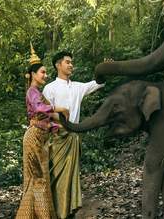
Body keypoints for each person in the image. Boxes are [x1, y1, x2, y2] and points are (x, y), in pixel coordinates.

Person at [42, 51, 104, 219]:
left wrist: (106, 69)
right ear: (58, 65)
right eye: (67, 62)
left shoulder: (77, 87)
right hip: (56, 138)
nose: (71, 65)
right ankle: (54, 213)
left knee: (70, 178)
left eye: (71, 62)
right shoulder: (49, 88)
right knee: (56, 178)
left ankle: (68, 213)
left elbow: (96, 83)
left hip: (73, 136)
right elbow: (45, 114)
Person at [16, 47, 69, 219]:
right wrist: (57, 108)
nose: (45, 76)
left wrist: (58, 127)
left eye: (46, 73)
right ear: (32, 74)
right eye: (43, 72)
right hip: (33, 138)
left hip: (41, 138)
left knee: (39, 178)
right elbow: (40, 109)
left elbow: (45, 121)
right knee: (37, 179)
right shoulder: (32, 92)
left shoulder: (38, 93)